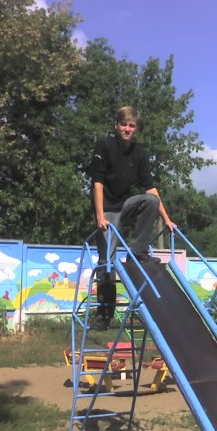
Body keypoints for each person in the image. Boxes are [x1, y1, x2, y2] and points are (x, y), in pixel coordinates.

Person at [88, 106, 176, 328]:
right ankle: (104, 314)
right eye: (123, 124)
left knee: (151, 201)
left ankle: (137, 251)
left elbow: (151, 188)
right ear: (116, 126)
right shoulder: (104, 145)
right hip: (106, 209)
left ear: (136, 129)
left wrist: (167, 219)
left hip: (124, 205)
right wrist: (100, 216)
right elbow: (97, 182)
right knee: (107, 261)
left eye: (131, 126)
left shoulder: (140, 153)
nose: (127, 129)